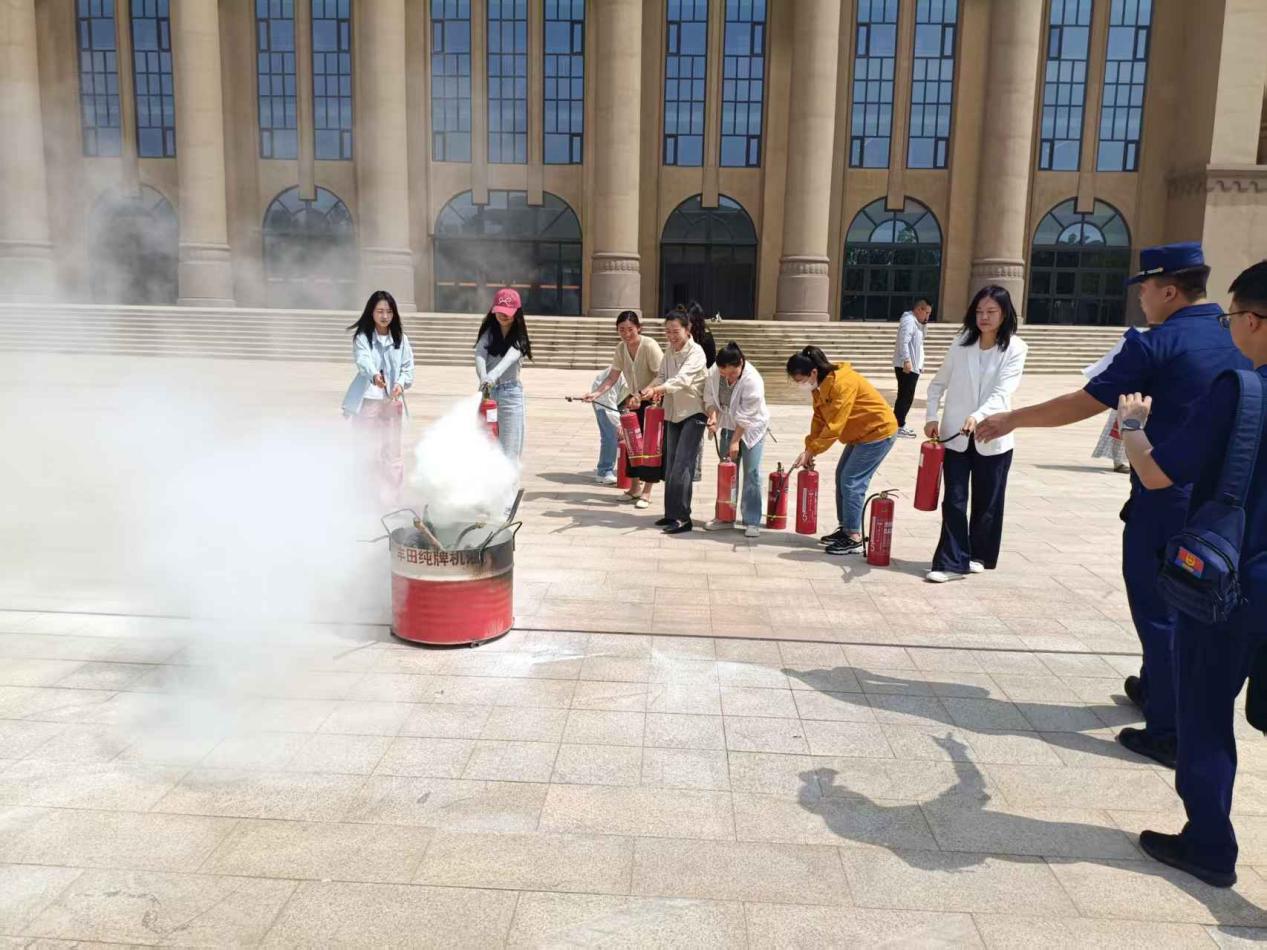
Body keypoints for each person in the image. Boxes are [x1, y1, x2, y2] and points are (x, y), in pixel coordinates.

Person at [977, 243, 1250, 768]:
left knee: (1160, 608)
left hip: (1165, 498)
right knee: (1196, 604)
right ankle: (1156, 686)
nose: (1141, 299)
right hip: (1225, 503)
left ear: (1168, 291)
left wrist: (1012, 418)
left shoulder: (1156, 344)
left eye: (1144, 289)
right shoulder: (1236, 333)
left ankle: (1168, 731)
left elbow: (1083, 403)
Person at [1114, 260, 1267, 888]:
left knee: (1204, 711)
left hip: (1237, 585)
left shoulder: (1242, 390)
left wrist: (1131, 426)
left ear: (1255, 321)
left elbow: (1157, 473)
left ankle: (1208, 844)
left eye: (1234, 318)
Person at [922, 286, 1028, 583]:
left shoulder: (1016, 348)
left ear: (1005, 314)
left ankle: (979, 555)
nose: (984, 317)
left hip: (992, 434)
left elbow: (1003, 392)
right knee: (954, 500)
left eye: (991, 311)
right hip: (955, 435)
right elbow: (937, 384)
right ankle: (951, 562)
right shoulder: (961, 343)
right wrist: (931, 417)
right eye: (980, 311)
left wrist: (977, 416)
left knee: (988, 501)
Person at [788, 346, 898, 556]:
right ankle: (846, 527)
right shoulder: (820, 386)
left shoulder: (842, 383)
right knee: (842, 476)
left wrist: (812, 451)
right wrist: (809, 448)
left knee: (852, 481)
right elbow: (819, 419)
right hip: (860, 434)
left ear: (813, 372)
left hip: (878, 432)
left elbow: (835, 425)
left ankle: (854, 536)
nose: (800, 385)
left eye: (800, 380)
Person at [585, 310, 664, 509]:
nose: (626, 333)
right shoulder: (621, 348)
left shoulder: (649, 345)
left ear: (639, 328)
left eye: (630, 329)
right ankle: (634, 488)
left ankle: (647, 492)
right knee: (631, 444)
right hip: (634, 401)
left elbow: (661, 375)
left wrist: (643, 393)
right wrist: (595, 394)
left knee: (650, 447)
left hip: (653, 401)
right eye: (622, 329)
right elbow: (612, 376)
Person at [342, 290, 414, 501]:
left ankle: (391, 496)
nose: (385, 316)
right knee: (367, 449)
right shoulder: (363, 338)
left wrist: (400, 384)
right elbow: (363, 360)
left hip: (391, 402)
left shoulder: (401, 339)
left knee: (392, 451)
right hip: (368, 402)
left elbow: (408, 367)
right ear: (371, 312)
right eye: (380, 311)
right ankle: (366, 497)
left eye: (389, 312)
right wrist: (374, 376)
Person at [640, 310, 708, 534]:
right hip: (672, 412)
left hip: (693, 413)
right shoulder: (669, 351)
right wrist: (649, 389)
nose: (671, 336)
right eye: (667, 331)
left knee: (683, 465)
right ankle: (671, 514)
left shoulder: (697, 352)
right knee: (670, 465)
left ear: (688, 330)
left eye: (675, 331)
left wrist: (658, 389)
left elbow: (681, 380)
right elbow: (662, 376)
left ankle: (683, 518)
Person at [704, 342, 770, 538]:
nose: (728, 378)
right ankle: (725, 516)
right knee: (727, 472)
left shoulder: (753, 379)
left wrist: (735, 442)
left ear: (740, 363)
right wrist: (713, 417)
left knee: (752, 472)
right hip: (728, 424)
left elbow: (747, 416)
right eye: (724, 374)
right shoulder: (715, 372)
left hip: (751, 429)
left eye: (732, 373)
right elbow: (710, 398)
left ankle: (752, 520)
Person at [474, 287, 533, 460]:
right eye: (500, 311)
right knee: (486, 446)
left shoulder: (520, 339)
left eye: (508, 312)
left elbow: (507, 361)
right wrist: (483, 378)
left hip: (510, 396)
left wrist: (491, 377)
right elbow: (480, 355)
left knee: (509, 448)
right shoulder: (488, 334)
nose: (503, 315)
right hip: (488, 394)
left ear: (517, 313)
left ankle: (509, 479)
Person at [893, 299, 932, 437]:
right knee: (904, 397)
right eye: (927, 313)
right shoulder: (909, 321)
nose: (928, 316)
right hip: (906, 366)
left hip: (913, 366)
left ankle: (898, 424)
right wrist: (906, 360)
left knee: (907, 396)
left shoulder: (917, 323)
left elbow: (919, 344)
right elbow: (903, 341)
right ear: (919, 309)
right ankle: (898, 425)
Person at [687, 303, 716, 482]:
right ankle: (694, 470)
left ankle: (695, 470)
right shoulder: (696, 336)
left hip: (699, 386)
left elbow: (711, 362)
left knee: (696, 428)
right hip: (693, 385)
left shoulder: (704, 337)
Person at [587, 368, 628, 485]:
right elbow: (608, 402)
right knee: (610, 436)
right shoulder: (618, 374)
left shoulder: (637, 372)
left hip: (620, 400)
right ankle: (604, 472)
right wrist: (618, 424)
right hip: (603, 400)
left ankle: (628, 472)